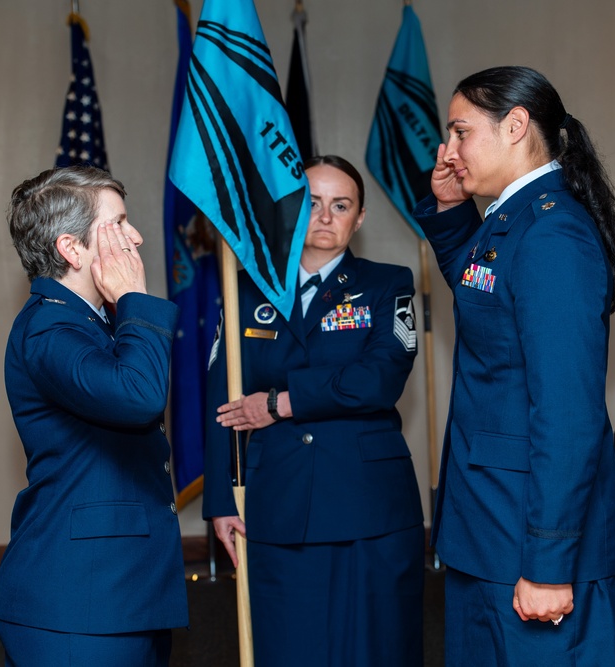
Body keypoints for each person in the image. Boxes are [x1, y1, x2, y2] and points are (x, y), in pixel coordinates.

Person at [413, 66, 615, 665]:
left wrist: (547, 562)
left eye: (460, 132)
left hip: (529, 539)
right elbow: (484, 293)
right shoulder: (512, 220)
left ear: (515, 126)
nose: (448, 150)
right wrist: (449, 209)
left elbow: (567, 414)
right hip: (490, 528)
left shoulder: (553, 233)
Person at [204, 155, 425, 666]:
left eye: (340, 205)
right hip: (277, 500)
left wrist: (281, 403)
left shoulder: (388, 284)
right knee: (289, 645)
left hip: (367, 503)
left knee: (376, 648)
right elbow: (224, 403)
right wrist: (220, 498)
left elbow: (379, 380)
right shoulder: (244, 290)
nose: (325, 216)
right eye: (312, 203)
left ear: (359, 218)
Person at [0, 166, 189, 666]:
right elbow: (139, 396)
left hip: (122, 590)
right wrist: (133, 298)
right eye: (119, 224)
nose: (136, 237)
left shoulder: (89, 322)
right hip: (76, 602)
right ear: (72, 249)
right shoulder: (49, 330)